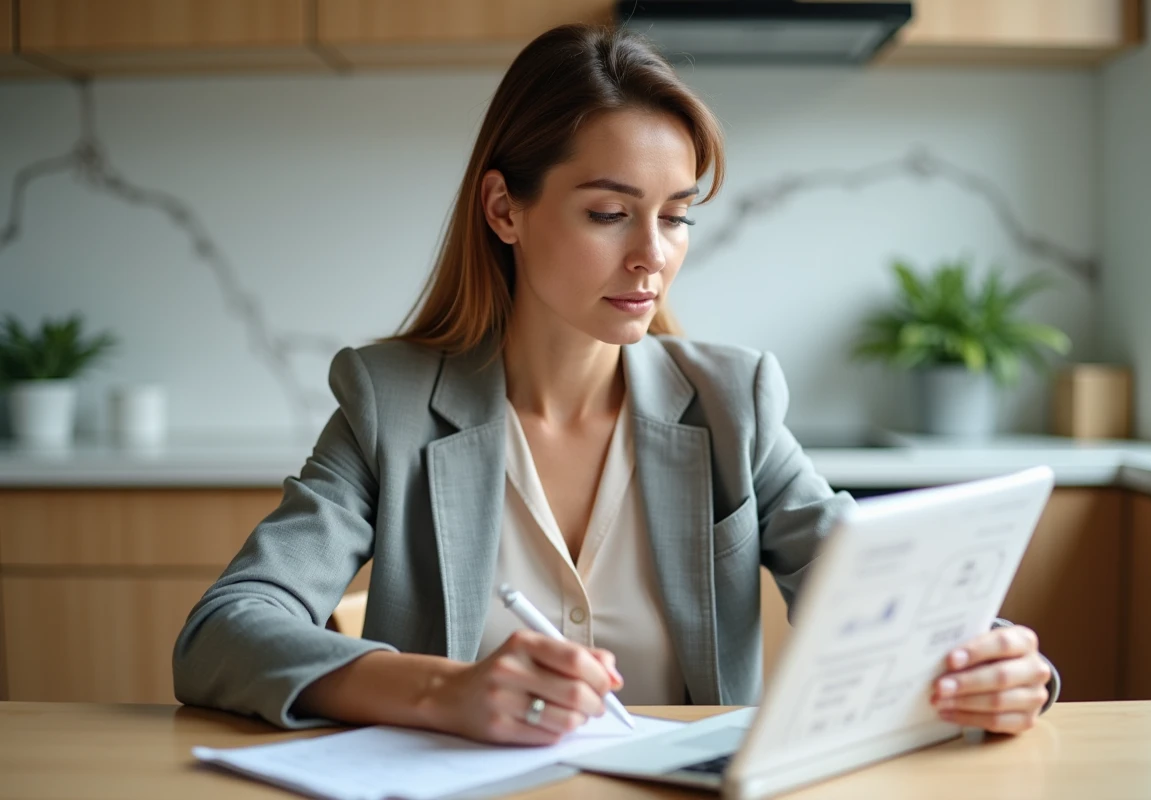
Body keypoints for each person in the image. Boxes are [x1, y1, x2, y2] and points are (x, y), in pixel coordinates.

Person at [174, 23, 1059, 746]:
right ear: (504, 209)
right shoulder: (390, 404)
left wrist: (1000, 666)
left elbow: (878, 590)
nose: (651, 257)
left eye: (676, 217)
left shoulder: (732, 404)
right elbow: (223, 630)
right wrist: (444, 691)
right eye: (608, 214)